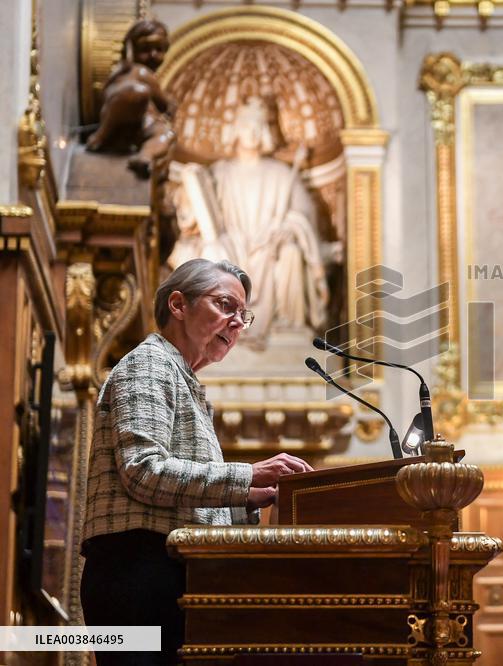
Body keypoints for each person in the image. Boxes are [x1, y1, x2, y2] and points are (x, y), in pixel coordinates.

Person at [80, 259, 315, 664]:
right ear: (178, 305)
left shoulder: (184, 380)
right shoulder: (149, 363)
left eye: (243, 315)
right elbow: (144, 471)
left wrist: (250, 497)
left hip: (167, 568)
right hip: (136, 570)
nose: (237, 322)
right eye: (225, 305)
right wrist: (249, 474)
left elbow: (186, 499)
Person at [172, 96, 334, 345]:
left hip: (270, 249)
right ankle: (216, 328)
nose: (252, 132)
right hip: (231, 247)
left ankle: (287, 326)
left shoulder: (281, 174)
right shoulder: (219, 172)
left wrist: (287, 229)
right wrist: (188, 196)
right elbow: (194, 219)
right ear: (236, 129)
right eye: (247, 125)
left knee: (291, 253)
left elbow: (304, 216)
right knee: (210, 251)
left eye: (259, 126)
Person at [86, 19, 176, 177]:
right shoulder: (140, 72)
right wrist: (172, 105)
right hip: (119, 115)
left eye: (159, 49)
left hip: (138, 127)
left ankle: (145, 157)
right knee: (139, 94)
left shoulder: (126, 73)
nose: (153, 55)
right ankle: (103, 135)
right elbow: (164, 104)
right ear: (130, 49)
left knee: (164, 133)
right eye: (145, 49)